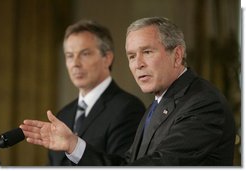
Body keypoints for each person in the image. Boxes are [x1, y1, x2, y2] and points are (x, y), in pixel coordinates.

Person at [20, 17, 236, 166]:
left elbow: (159, 165)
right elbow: (127, 165)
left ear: (177, 55)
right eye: (132, 56)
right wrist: (74, 145)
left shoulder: (203, 103)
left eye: (147, 52)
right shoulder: (159, 104)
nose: (138, 64)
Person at [46, 20, 145, 165]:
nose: (75, 63)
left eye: (85, 54)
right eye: (69, 56)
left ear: (107, 58)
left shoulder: (128, 108)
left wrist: (75, 147)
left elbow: (123, 167)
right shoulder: (63, 115)